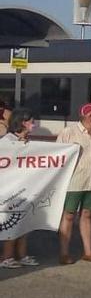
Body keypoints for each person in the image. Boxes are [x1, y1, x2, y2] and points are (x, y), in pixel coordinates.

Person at [55, 103, 91, 265]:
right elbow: (57, 157)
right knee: (69, 215)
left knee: (87, 215)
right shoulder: (69, 132)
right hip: (74, 181)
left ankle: (88, 251)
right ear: (88, 115)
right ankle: (64, 253)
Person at [1, 109, 40, 268]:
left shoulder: (27, 140)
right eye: (31, 121)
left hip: (24, 187)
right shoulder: (7, 140)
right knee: (12, 222)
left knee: (24, 222)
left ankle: (21, 254)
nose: (34, 124)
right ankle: (7, 256)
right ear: (23, 123)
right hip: (10, 189)